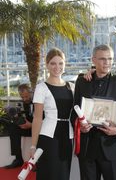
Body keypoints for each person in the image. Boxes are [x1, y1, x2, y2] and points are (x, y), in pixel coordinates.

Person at [71, 44, 116, 180]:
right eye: (103, 59)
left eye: (110, 59)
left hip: (112, 147)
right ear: (93, 60)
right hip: (87, 148)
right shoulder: (82, 82)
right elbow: (74, 111)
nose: (107, 62)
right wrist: (80, 126)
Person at [30, 47, 74, 180]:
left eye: (60, 63)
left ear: (65, 64)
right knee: (49, 173)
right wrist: (33, 145)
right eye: (53, 63)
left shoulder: (71, 86)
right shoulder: (41, 87)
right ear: (47, 65)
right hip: (48, 137)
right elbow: (37, 118)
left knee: (64, 174)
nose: (57, 67)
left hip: (67, 136)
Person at [4, 83, 33, 169]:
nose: (25, 99)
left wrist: (31, 125)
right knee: (13, 127)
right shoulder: (21, 103)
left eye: (26, 96)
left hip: (38, 128)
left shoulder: (38, 101)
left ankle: (38, 161)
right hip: (27, 127)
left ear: (31, 93)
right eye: (22, 97)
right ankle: (18, 159)